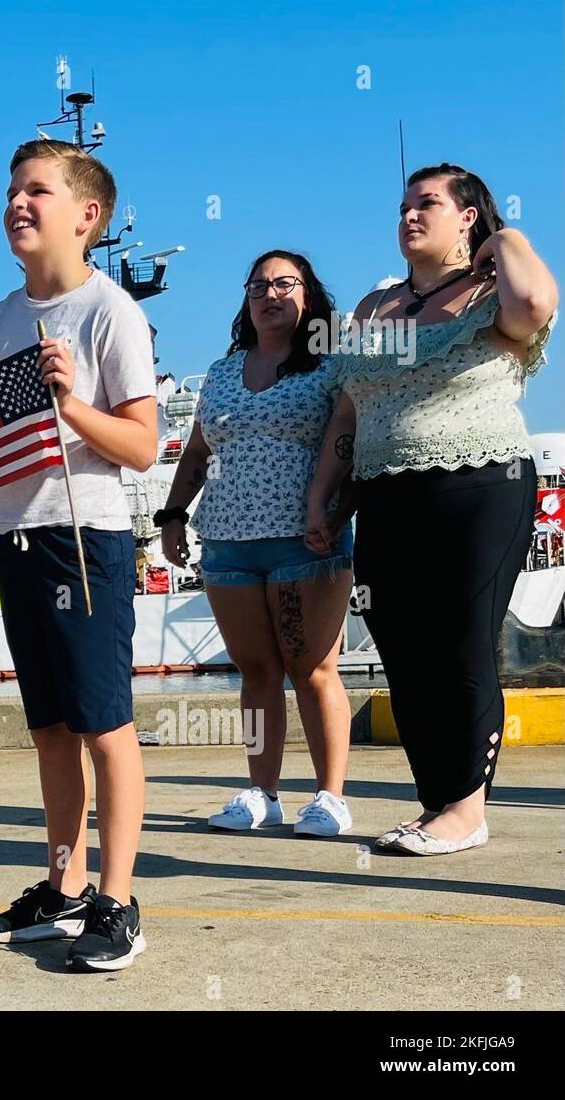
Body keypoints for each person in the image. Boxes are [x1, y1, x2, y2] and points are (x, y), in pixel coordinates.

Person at [0, 140, 157, 970]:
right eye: (11, 189)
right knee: (48, 727)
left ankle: (118, 899)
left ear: (88, 216)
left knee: (105, 726)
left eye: (36, 190)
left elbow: (144, 445)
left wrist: (71, 403)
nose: (16, 202)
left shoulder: (111, 312)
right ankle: (64, 886)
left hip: (85, 539)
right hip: (12, 534)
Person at [307, 163, 557, 856]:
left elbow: (536, 303)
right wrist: (322, 494)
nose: (409, 215)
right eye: (404, 205)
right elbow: (350, 407)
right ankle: (438, 805)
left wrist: (504, 241)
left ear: (470, 216)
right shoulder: (374, 308)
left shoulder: (493, 290)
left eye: (428, 204)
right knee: (403, 646)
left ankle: (467, 810)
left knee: (463, 640)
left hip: (481, 485)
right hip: (386, 491)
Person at [159, 252, 356, 837]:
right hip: (227, 541)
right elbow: (197, 452)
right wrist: (172, 514)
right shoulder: (221, 373)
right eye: (258, 285)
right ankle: (262, 791)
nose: (269, 294)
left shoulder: (333, 367)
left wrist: (338, 510)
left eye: (284, 283)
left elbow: (352, 444)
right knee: (256, 672)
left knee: (314, 667)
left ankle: (330, 797)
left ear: (309, 296)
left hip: (307, 539)